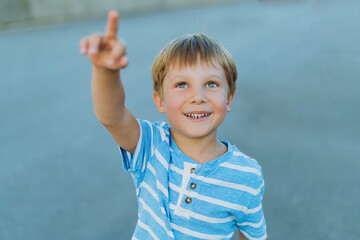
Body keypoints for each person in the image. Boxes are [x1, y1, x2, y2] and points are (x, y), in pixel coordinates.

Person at [80, 10, 267, 240]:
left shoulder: (246, 175)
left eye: (211, 83)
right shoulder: (151, 145)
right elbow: (112, 116)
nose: (197, 96)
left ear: (229, 99)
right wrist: (105, 71)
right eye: (182, 85)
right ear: (160, 101)